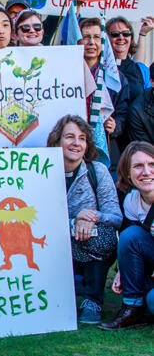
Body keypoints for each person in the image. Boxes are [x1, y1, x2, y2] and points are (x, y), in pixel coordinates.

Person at [47, 115, 122, 324]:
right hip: (52, 243)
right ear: (56, 141)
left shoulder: (97, 171)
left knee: (104, 236)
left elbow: (115, 217)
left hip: (88, 242)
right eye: (69, 137)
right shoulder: (40, 172)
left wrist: (92, 217)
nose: (76, 143)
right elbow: (38, 217)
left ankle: (93, 301)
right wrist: (74, 221)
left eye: (82, 138)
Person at [100, 142, 154, 330]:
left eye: (152, 164)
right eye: (138, 166)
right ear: (128, 173)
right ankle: (132, 308)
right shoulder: (132, 200)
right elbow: (133, 242)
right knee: (130, 234)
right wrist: (124, 270)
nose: (146, 172)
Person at [79, 18, 129, 173]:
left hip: (105, 144)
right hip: (74, 144)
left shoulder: (115, 77)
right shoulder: (67, 73)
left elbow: (124, 112)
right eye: (86, 37)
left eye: (97, 38)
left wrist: (116, 126)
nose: (92, 43)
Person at [106, 16, 150, 103]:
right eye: (115, 34)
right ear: (106, 38)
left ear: (131, 37)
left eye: (126, 34)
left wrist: (143, 34)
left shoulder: (141, 69)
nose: (121, 37)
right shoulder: (99, 68)